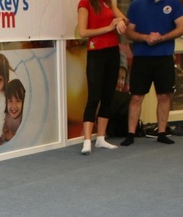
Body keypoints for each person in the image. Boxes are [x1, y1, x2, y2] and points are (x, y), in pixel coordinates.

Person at [120, 0, 183, 146]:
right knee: (136, 96)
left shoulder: (174, 3)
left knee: (164, 95)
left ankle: (162, 133)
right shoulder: (136, 4)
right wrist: (145, 37)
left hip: (164, 57)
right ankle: (131, 133)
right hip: (141, 57)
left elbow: (181, 28)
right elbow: (129, 31)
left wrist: (162, 38)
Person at [77, 0, 127, 155]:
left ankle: (101, 138)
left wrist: (120, 20)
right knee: (94, 96)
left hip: (113, 52)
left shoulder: (109, 3)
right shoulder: (85, 3)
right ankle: (87, 140)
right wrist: (109, 27)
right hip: (96, 52)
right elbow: (83, 32)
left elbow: (126, 21)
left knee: (108, 96)